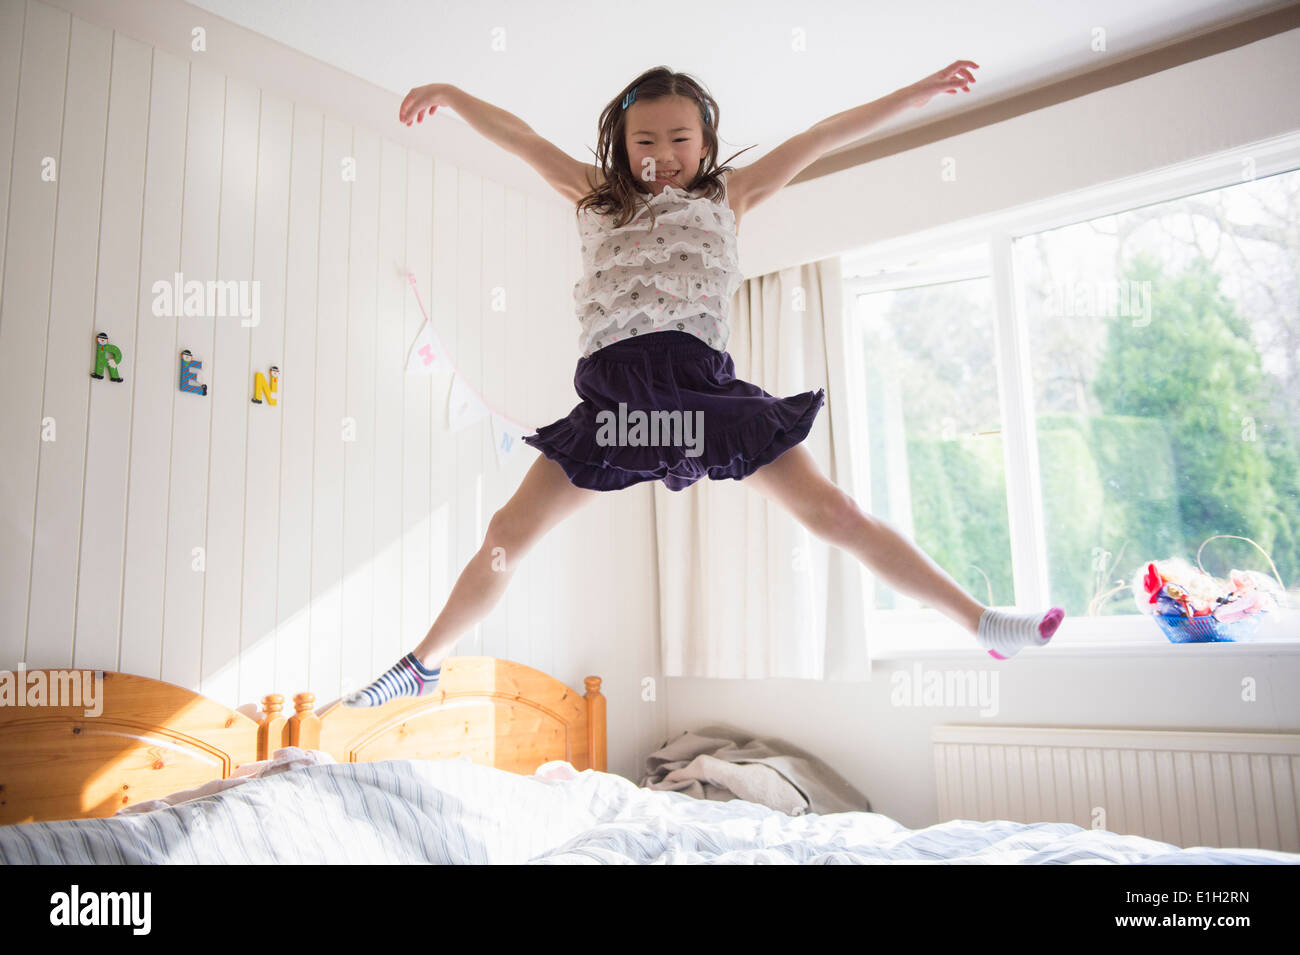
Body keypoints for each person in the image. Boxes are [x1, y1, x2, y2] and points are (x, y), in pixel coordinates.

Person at [347, 62, 1062, 707]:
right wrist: (449, 92)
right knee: (506, 532)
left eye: (680, 139)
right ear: (621, 148)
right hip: (617, 411)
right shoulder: (596, 196)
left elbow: (822, 133)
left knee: (834, 512)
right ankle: (424, 662)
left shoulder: (732, 196)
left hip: (701, 401)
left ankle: (984, 621)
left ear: (706, 142)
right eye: (645, 142)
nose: (663, 156)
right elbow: (520, 135)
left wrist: (914, 92)